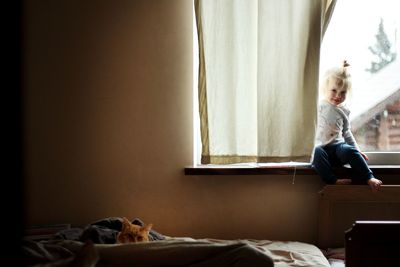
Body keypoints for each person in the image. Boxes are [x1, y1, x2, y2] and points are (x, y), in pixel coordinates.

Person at [312, 60, 382, 191]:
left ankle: (369, 177)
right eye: (334, 90)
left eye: (343, 92)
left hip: (337, 149)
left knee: (350, 150)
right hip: (321, 149)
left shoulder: (344, 111)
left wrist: (357, 150)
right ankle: (332, 180)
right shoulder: (318, 107)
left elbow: (347, 132)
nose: (338, 95)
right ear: (325, 88)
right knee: (316, 152)